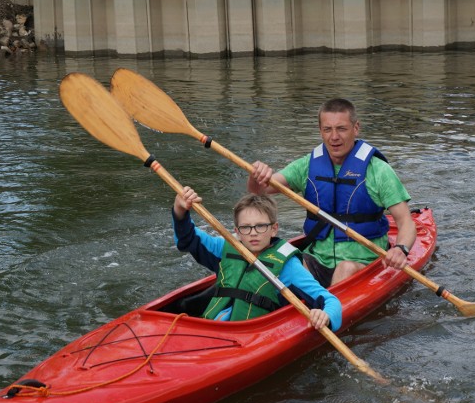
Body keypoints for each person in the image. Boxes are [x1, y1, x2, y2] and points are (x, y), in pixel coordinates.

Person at [247, 98, 416, 287]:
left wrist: (400, 249)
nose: (334, 137)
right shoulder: (307, 166)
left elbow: (406, 223)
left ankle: (329, 310)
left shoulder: (378, 170)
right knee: (287, 265)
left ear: (356, 128)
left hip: (362, 263)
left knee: (345, 269)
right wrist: (257, 175)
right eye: (327, 129)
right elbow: (260, 191)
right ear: (320, 131)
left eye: (341, 129)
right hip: (317, 260)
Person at [172, 187, 342, 331]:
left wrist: (324, 315)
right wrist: (180, 211)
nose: (253, 233)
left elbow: (329, 300)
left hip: (248, 336)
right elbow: (188, 239)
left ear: (274, 229)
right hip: (209, 328)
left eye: (260, 226)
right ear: (237, 231)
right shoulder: (223, 248)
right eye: (246, 227)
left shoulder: (288, 267)